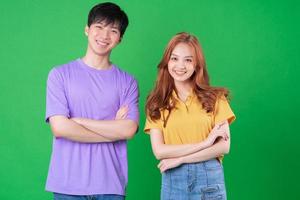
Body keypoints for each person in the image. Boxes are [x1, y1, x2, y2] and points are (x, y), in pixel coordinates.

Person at [45, 2, 139, 200]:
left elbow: (128, 130)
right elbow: (60, 128)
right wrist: (113, 130)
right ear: (87, 30)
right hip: (67, 185)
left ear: (120, 38)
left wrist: (78, 121)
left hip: (110, 185)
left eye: (113, 30)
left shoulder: (127, 82)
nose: (104, 36)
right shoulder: (60, 74)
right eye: (99, 27)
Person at [144, 32, 235, 200]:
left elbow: (223, 147)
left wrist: (180, 159)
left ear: (196, 65)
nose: (180, 66)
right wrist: (206, 143)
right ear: (167, 61)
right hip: (173, 179)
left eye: (188, 60)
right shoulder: (156, 102)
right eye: (174, 58)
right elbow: (159, 151)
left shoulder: (216, 98)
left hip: (208, 178)